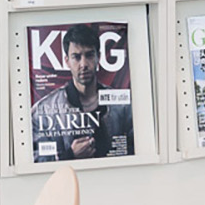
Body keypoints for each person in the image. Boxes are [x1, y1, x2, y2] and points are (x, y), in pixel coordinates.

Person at [29, 24, 133, 161]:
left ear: (98, 57)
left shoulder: (123, 106)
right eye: (76, 57)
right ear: (67, 61)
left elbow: (137, 149)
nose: (83, 64)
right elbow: (33, 159)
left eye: (89, 55)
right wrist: (69, 155)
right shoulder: (43, 111)